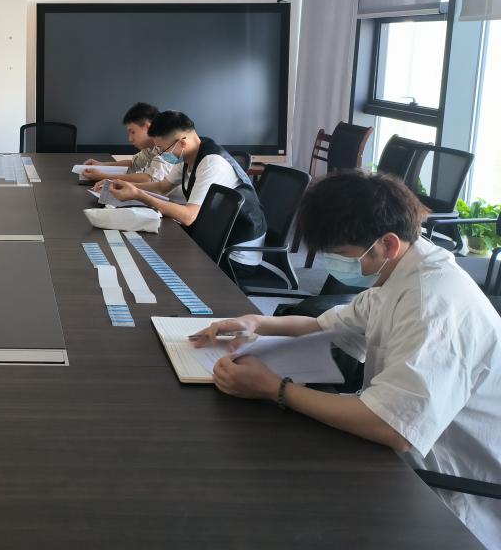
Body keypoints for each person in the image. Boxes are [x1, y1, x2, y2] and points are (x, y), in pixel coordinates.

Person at [191, 171, 501, 548]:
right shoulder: (402, 270)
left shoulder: (431, 303)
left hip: (450, 488)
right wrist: (255, 322)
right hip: (404, 448)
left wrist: (274, 389)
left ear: (387, 244)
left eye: (341, 255)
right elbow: (325, 325)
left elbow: (393, 428)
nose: (333, 264)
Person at [106, 111, 266, 265]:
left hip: (235, 254)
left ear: (182, 143)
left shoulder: (212, 163)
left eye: (162, 149)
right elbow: (162, 187)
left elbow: (188, 216)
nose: (161, 154)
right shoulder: (189, 154)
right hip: (213, 234)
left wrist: (138, 194)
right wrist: (124, 185)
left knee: (154, 254)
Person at [82, 102, 173, 185]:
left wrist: (103, 176)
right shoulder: (149, 147)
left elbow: (149, 179)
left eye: (133, 132)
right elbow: (133, 164)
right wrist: (101, 165)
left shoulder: (170, 147)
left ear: (148, 128)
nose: (130, 139)